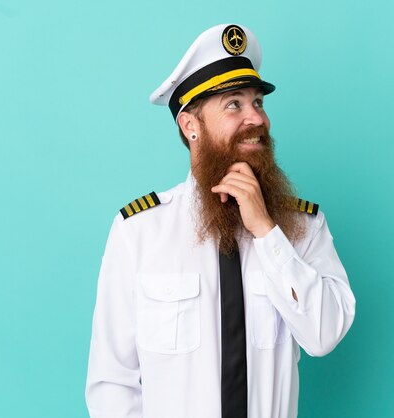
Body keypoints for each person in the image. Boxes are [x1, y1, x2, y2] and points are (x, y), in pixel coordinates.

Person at [85, 23, 356, 418]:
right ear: (190, 126)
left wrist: (267, 231)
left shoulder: (301, 225)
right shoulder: (138, 232)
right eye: (234, 104)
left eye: (258, 103)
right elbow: (113, 382)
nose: (257, 118)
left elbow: (324, 334)